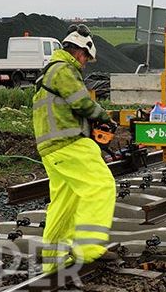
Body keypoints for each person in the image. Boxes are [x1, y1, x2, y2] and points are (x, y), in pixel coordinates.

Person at [32, 24, 117, 273]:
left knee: (64, 202)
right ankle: (89, 247)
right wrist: (103, 117)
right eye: (86, 59)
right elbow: (81, 101)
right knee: (101, 185)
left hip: (50, 146)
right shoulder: (63, 69)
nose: (85, 64)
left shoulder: (50, 70)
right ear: (79, 51)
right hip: (68, 142)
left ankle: (54, 258)